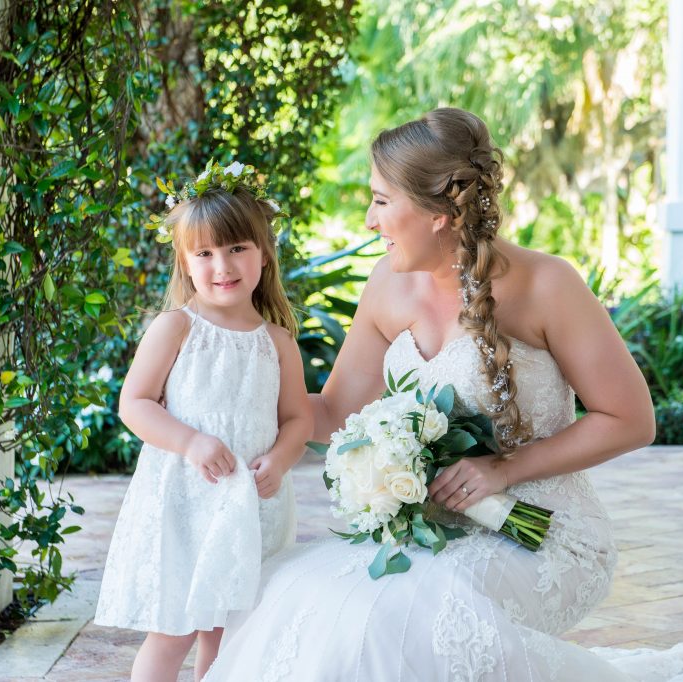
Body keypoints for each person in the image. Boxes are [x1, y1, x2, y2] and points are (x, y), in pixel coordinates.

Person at [204, 108, 653, 681]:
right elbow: (337, 413)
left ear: (439, 211)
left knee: (402, 615)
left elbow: (631, 418)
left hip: (541, 530)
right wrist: (226, 403)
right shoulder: (386, 286)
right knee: (294, 592)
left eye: (381, 201)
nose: (369, 220)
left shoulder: (548, 284)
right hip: (435, 530)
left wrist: (503, 470)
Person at [94, 162, 312, 682]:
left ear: (264, 253)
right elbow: (136, 403)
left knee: (232, 634)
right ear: (185, 262)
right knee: (176, 630)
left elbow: (298, 418)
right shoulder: (175, 328)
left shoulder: (278, 342)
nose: (223, 265)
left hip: (250, 503)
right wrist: (190, 441)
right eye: (206, 253)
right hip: (187, 501)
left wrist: (280, 461)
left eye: (238, 248)